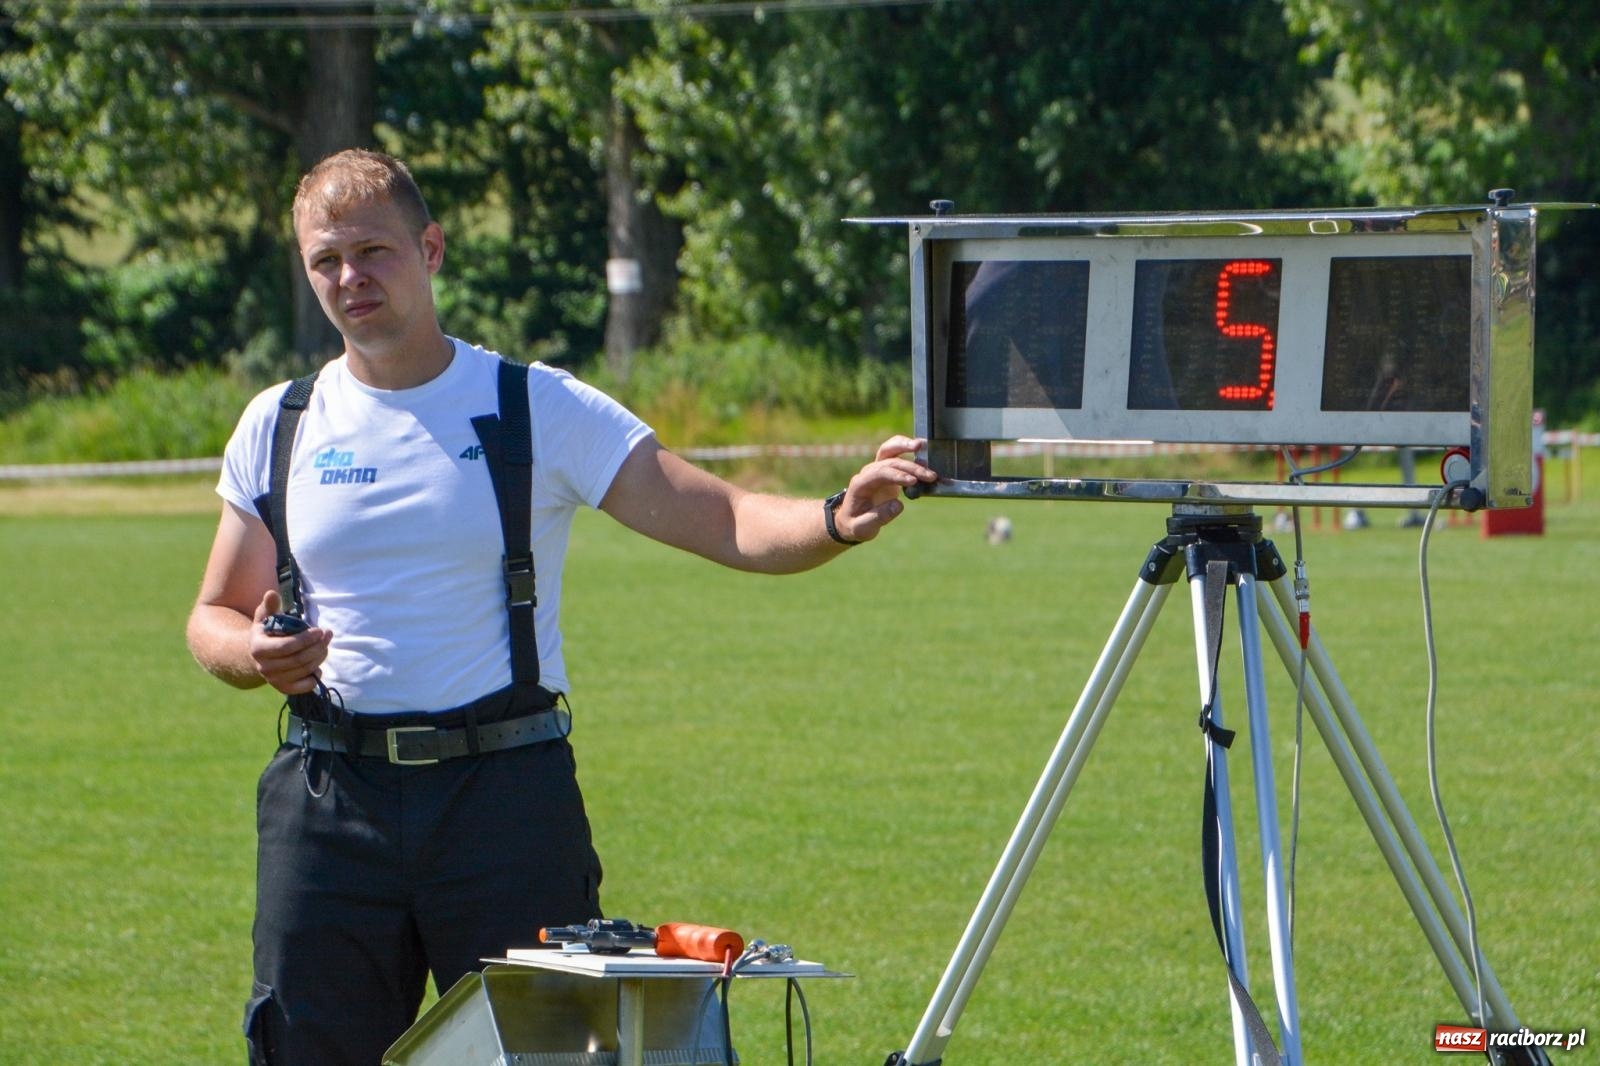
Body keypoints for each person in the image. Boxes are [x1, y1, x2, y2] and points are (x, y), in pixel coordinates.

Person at [184, 147, 936, 1066]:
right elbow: (214, 611)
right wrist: (251, 656)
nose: (350, 278)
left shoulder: (531, 404)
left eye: (373, 251)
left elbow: (725, 516)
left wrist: (835, 518)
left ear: (431, 249)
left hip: (503, 800)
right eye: (325, 261)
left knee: (548, 1056)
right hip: (327, 801)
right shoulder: (280, 420)